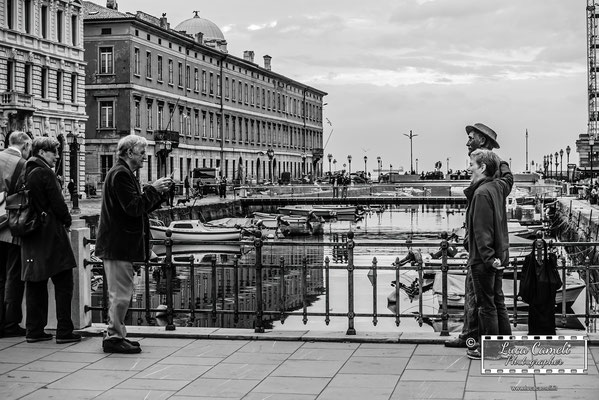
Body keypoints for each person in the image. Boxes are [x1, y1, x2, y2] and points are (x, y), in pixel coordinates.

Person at [95, 135, 172, 354]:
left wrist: (159, 194)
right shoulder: (120, 174)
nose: (144, 158)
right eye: (141, 154)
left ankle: (117, 333)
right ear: (129, 153)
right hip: (118, 244)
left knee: (122, 292)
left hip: (119, 244)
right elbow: (133, 208)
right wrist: (153, 189)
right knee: (120, 294)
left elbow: (138, 208)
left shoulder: (123, 173)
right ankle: (114, 337)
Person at [445, 122, 501, 349]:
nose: (467, 142)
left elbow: (482, 224)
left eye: (471, 138)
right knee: (476, 296)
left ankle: (486, 345)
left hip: (482, 251)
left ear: (483, 141)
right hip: (480, 248)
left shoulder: (492, 174)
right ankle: (471, 337)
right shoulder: (487, 177)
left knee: (485, 301)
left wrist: (485, 254)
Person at [20, 136, 81, 344]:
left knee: (35, 282)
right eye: (53, 152)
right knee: (64, 280)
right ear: (41, 152)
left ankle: (34, 330)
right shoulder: (45, 173)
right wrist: (66, 221)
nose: (57, 156)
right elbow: (58, 204)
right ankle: (64, 330)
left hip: (30, 234)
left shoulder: (25, 171)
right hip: (50, 234)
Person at [464, 149, 513, 360]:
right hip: (498, 256)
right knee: (498, 302)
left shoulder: (482, 193)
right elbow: (508, 178)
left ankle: (491, 351)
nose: (468, 168)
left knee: (486, 305)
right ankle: (505, 346)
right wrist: (499, 161)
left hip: (485, 260)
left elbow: (482, 230)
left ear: (483, 168)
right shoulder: (498, 187)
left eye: (472, 164)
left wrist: (487, 257)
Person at [0, 131, 31, 338]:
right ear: (25, 145)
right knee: (13, 275)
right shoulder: (22, 164)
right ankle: (9, 323)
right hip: (8, 227)